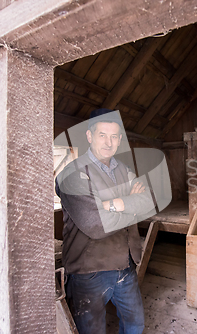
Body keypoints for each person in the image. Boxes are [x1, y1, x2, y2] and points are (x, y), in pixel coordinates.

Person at [55, 108, 156, 334]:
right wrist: (131, 203)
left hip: (125, 265)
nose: (108, 142)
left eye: (114, 136)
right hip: (89, 270)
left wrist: (114, 204)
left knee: (135, 325)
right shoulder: (72, 174)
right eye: (102, 135)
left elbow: (149, 201)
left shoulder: (123, 170)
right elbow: (96, 225)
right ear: (90, 136)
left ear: (120, 140)